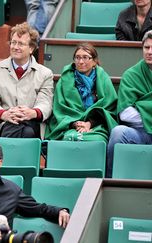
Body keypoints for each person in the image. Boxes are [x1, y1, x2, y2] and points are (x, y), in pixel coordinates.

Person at [0, 22, 54, 139]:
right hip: (2, 124)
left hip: (31, 121)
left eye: (20, 44)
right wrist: (4, 114)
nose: (15, 47)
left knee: (26, 129)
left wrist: (32, 113)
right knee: (25, 132)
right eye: (13, 42)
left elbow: (45, 103)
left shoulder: (45, 74)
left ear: (31, 48)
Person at [45, 43, 118, 142]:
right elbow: (60, 108)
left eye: (85, 57)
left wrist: (89, 123)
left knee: (96, 140)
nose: (81, 61)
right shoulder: (65, 80)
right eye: (77, 58)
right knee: (70, 138)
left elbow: (109, 108)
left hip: (97, 125)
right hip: (69, 126)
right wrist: (75, 123)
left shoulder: (103, 79)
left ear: (94, 61)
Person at [106, 30, 152, 178]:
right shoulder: (132, 75)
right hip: (142, 133)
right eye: (146, 48)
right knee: (118, 132)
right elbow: (125, 112)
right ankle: (110, 181)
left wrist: (144, 108)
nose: (149, 52)